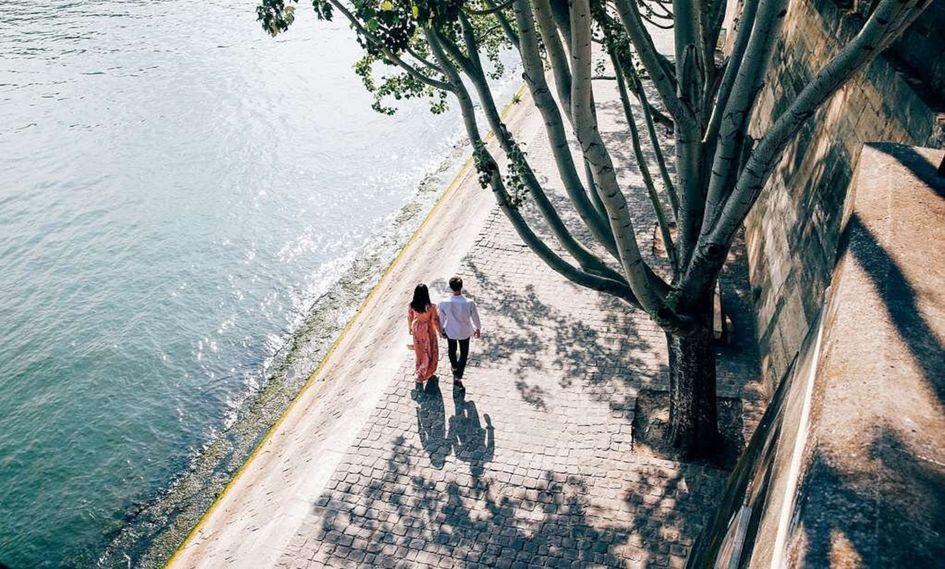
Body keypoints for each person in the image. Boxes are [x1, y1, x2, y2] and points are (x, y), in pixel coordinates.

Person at [437, 276, 481, 389]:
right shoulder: (469, 303)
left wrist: (441, 330)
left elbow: (441, 319)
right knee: (464, 353)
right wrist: (478, 328)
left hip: (451, 330)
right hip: (464, 331)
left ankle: (454, 367)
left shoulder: (444, 303)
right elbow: (475, 317)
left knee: (452, 350)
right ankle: (458, 376)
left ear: (450, 288)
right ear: (461, 287)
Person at [407, 283, 440, 384]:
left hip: (417, 328)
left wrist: (410, 329)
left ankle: (420, 372)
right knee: (431, 350)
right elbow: (434, 320)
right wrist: (440, 331)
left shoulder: (412, 305)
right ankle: (429, 371)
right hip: (428, 330)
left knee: (420, 351)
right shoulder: (431, 307)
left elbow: (409, 317)